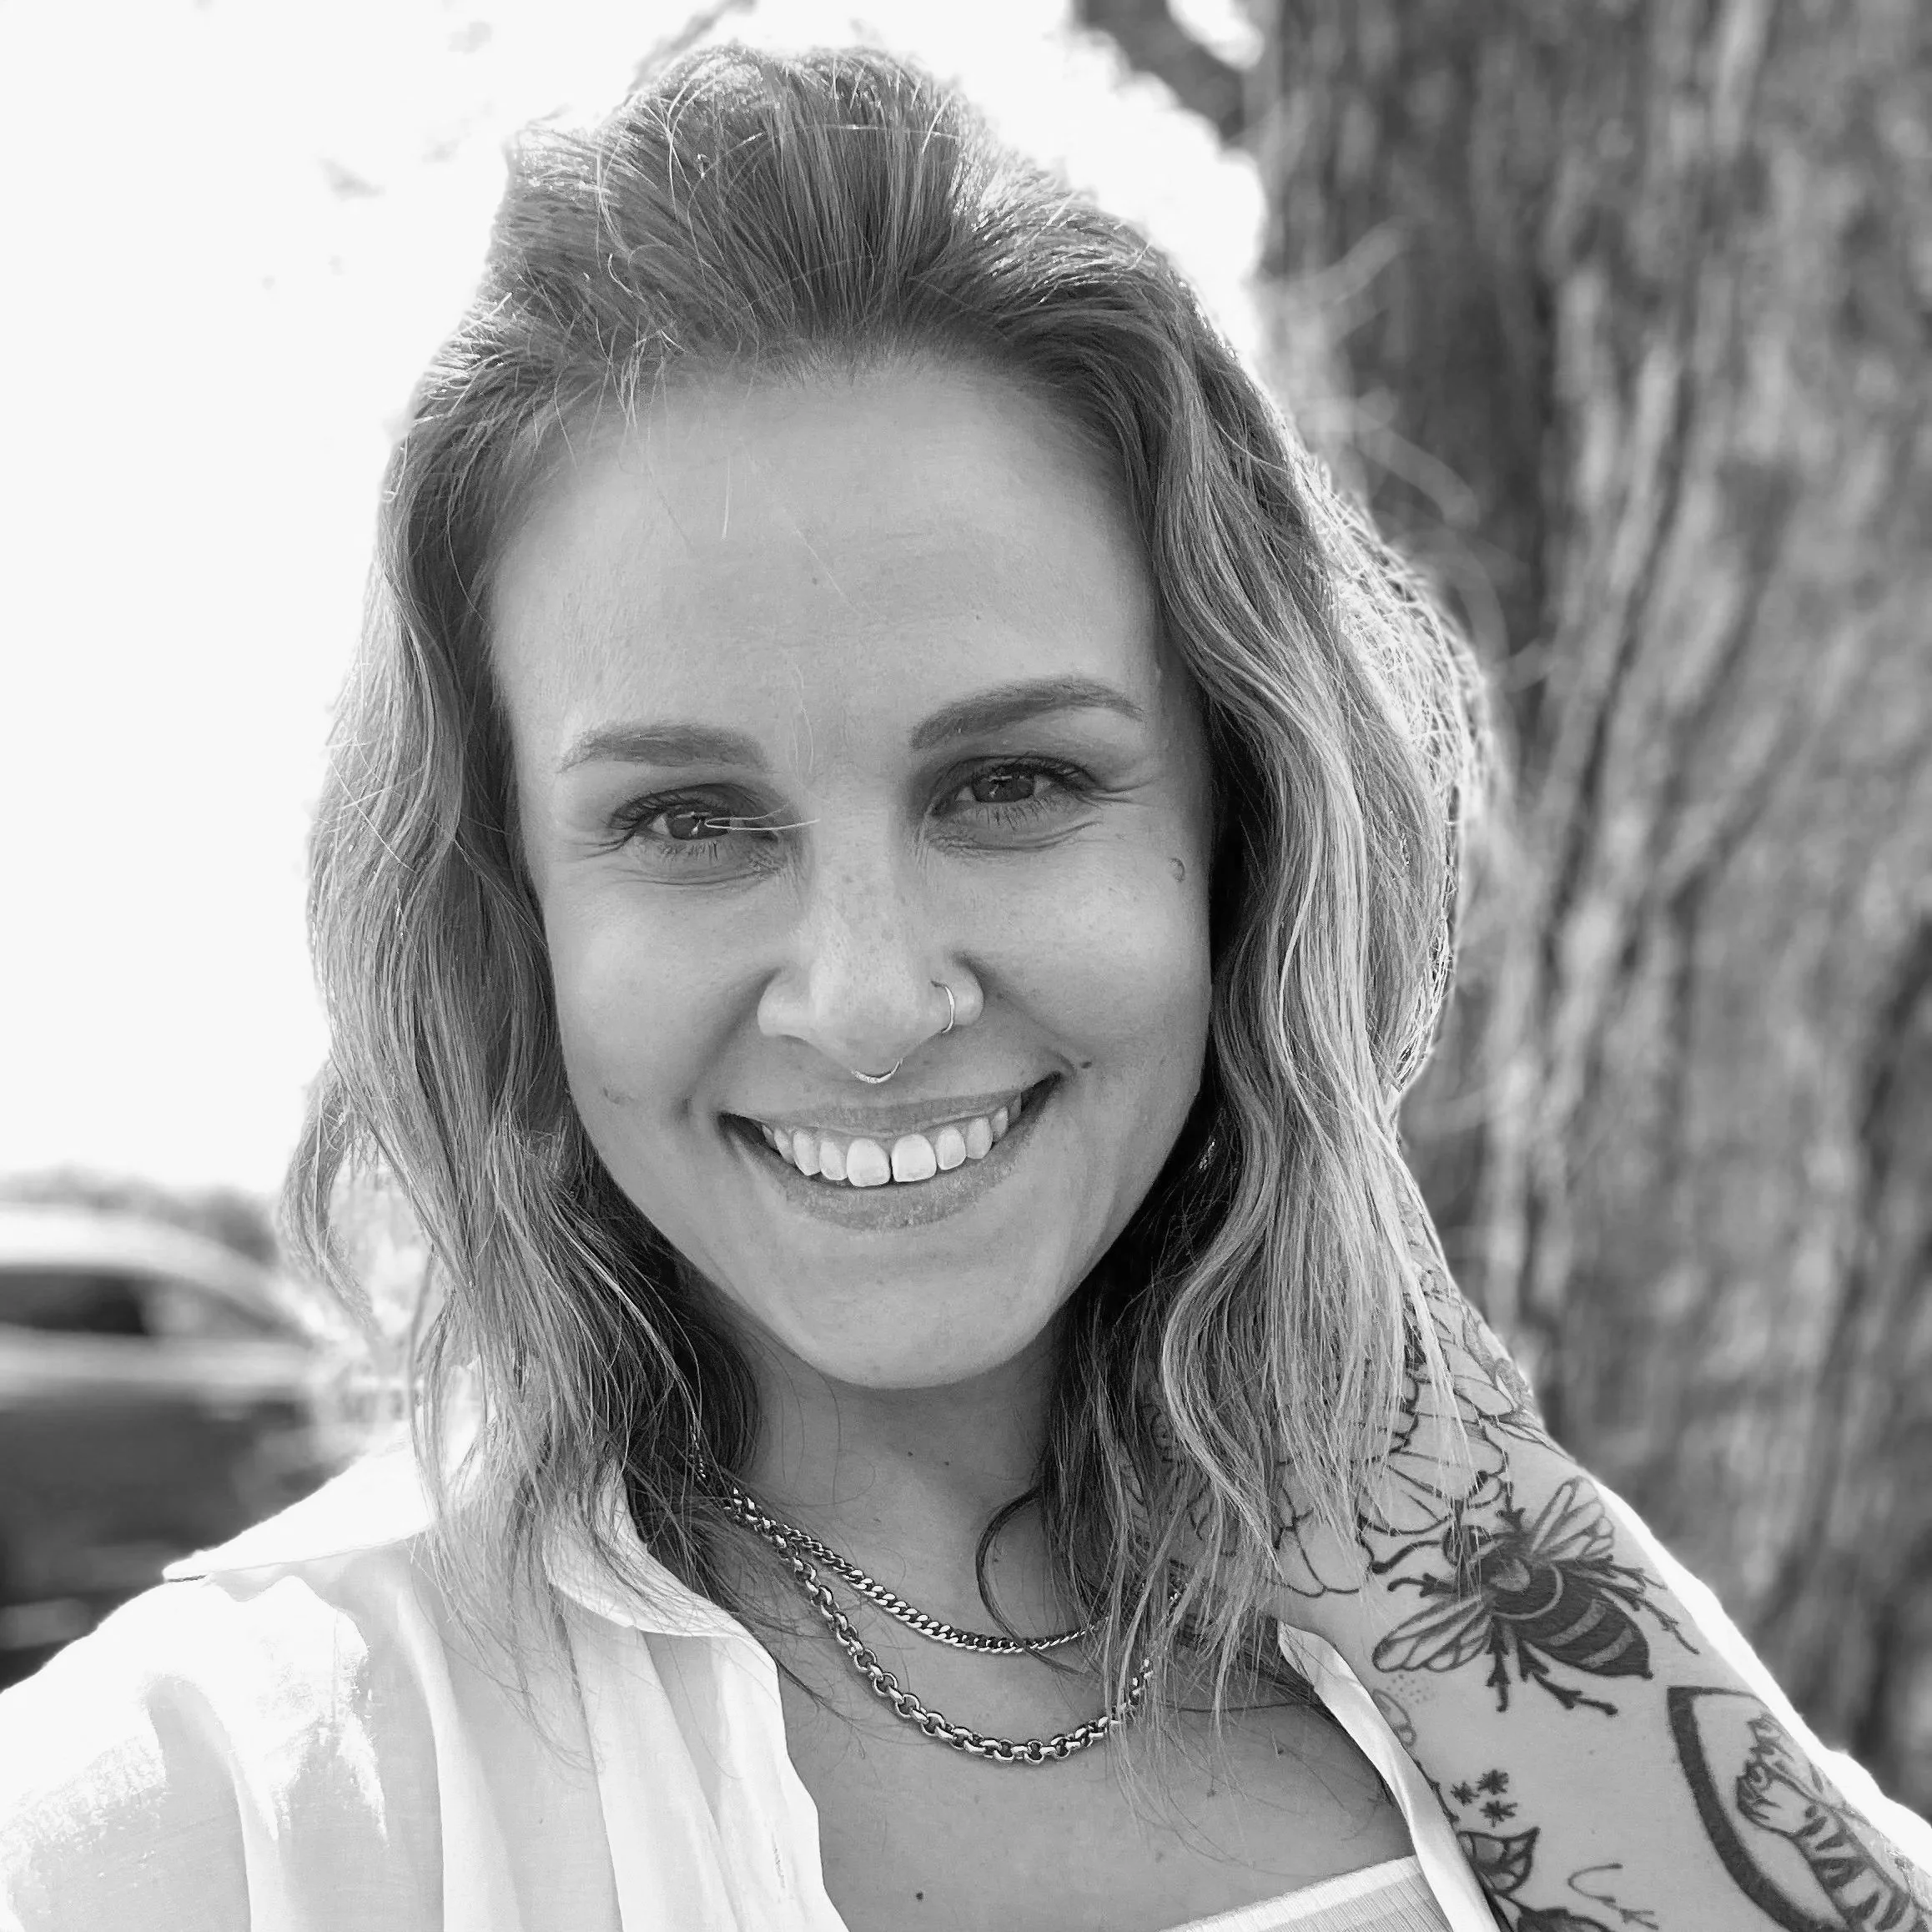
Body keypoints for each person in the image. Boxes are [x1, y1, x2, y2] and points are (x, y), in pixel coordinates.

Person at [3, 41, 1928, 1932]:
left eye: (1011, 784)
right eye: (688, 818)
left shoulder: (1453, 1564)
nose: (865, 997)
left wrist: (1448, 1507)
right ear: (509, 914)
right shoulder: (220, 1805)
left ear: (1244, 832)